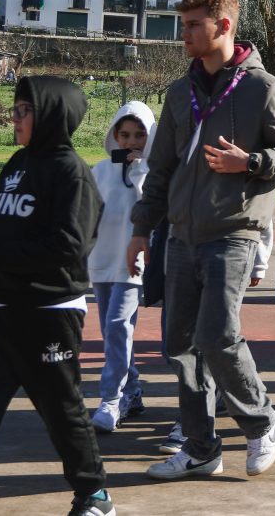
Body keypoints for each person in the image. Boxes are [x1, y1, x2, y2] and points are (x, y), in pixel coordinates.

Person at [127, 0, 275, 481]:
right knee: (179, 345)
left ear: (224, 26)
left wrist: (248, 162)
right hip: (181, 235)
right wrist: (142, 229)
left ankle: (261, 419)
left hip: (233, 231)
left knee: (217, 335)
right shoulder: (178, 92)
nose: (183, 34)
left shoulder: (261, 88)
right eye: (182, 24)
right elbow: (160, 169)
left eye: (193, 25)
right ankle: (201, 448)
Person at [0, 76, 115, 516]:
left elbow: (69, 247)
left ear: (52, 115)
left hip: (48, 311)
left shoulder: (71, 172)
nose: (14, 118)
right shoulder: (17, 163)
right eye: (14, 109)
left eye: (24, 111)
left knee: (61, 411)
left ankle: (93, 496)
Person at [87, 102, 155, 434]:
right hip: (101, 261)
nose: (131, 142)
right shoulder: (99, 171)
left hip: (132, 264)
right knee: (111, 331)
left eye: (139, 135)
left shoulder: (153, 173)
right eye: (125, 135)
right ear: (114, 135)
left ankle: (111, 399)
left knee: (117, 325)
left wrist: (141, 170)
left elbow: (151, 209)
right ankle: (132, 390)